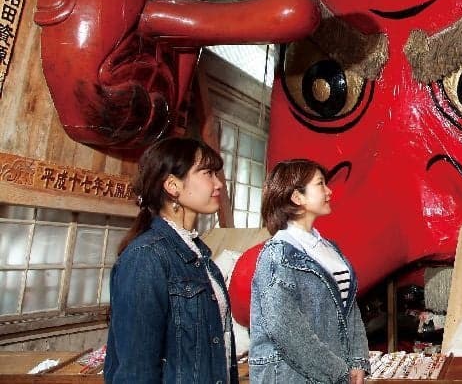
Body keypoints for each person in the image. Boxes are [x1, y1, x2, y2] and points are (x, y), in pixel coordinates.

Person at [104, 137, 237, 383]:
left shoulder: (200, 254)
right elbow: (136, 370)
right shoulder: (146, 257)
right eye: (207, 173)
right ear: (172, 185)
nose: (218, 184)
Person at [250, 160, 370, 384]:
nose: (329, 191)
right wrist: (338, 371)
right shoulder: (277, 255)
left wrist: (357, 361)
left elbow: (350, 311)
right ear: (297, 198)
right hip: (291, 376)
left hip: (332, 373)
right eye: (320, 184)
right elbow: (286, 329)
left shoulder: (331, 250)